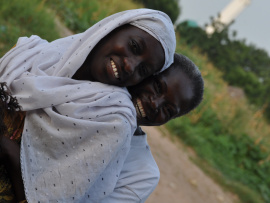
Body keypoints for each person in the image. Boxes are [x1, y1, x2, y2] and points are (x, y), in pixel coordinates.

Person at [0, 9, 176, 202]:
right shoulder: (32, 51)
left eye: (143, 69)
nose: (129, 66)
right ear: (112, 28)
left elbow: (52, 196)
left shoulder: (112, 117)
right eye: (134, 46)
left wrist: (6, 146)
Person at [0, 53, 204, 202]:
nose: (154, 103)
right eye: (158, 87)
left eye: (168, 110)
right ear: (145, 72)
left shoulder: (142, 173)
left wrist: (10, 154)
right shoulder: (66, 90)